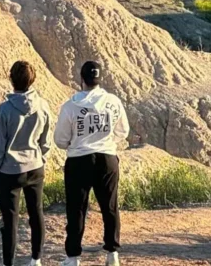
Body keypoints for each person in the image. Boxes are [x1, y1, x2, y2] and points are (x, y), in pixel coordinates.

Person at [55, 60, 129, 266]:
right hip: (107, 158)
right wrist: (107, 142)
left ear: (82, 79)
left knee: (76, 209)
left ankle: (73, 257)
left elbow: (60, 140)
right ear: (99, 79)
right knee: (110, 206)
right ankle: (112, 253)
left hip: (79, 160)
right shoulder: (112, 102)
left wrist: (77, 142)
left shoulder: (70, 106)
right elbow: (123, 131)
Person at [0, 60, 53, 266]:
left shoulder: (4, 110)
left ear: (11, 79)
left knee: (10, 221)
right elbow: (45, 140)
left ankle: (9, 263)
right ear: (32, 80)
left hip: (9, 171)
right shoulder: (43, 105)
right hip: (35, 168)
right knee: (37, 214)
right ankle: (36, 260)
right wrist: (40, 158)